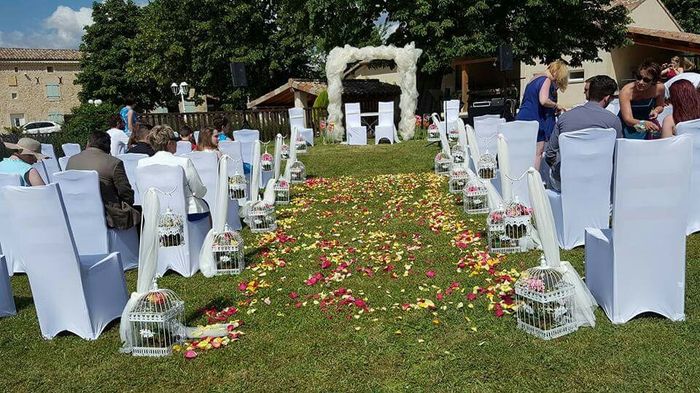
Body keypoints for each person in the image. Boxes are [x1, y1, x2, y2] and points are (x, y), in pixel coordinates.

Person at [545, 75, 623, 192]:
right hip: (600, 182)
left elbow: (550, 154)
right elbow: (617, 155)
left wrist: (563, 168)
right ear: (607, 98)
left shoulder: (565, 118)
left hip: (566, 181)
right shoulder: (613, 121)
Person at [66, 131, 140, 229]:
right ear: (108, 147)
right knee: (138, 213)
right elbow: (126, 193)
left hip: (74, 213)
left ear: (88, 143)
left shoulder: (71, 160)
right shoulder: (114, 163)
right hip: (106, 217)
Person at [137, 125, 209, 219]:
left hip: (156, 213)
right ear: (170, 143)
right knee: (205, 206)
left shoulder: (142, 164)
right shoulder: (184, 162)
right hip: (187, 213)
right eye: (175, 141)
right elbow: (199, 191)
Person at [516, 60, 569, 169]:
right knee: (537, 153)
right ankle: (534, 181)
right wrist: (556, 105)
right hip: (535, 119)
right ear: (556, 72)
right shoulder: (546, 80)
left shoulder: (534, 79)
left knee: (525, 153)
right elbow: (543, 100)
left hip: (523, 117)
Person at [618, 60, 665, 139]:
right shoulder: (626, 91)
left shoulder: (659, 88)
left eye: (646, 80)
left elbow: (660, 105)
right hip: (629, 125)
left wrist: (656, 111)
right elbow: (628, 119)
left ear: (654, 81)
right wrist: (643, 123)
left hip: (647, 122)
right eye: (638, 77)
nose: (640, 82)